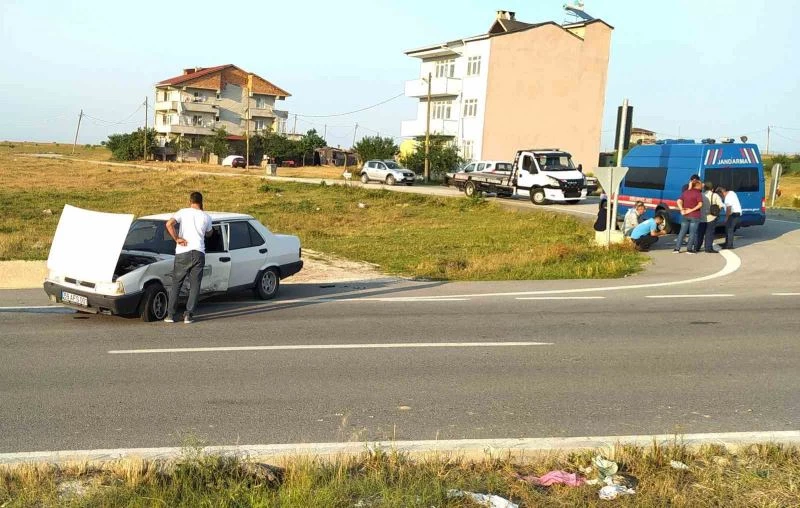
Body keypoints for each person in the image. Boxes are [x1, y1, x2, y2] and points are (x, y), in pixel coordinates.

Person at [165, 191, 212, 324]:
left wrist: (177, 238)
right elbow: (209, 233)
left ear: (190, 201)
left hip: (182, 252)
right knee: (195, 285)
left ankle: (170, 315)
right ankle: (188, 315)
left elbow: (169, 224)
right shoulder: (206, 217)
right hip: (198, 252)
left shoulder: (183, 212)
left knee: (176, 283)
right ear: (201, 202)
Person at [674, 180, 703, 254]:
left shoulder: (686, 192)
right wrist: (691, 210)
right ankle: (689, 249)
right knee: (692, 233)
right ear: (697, 186)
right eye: (700, 184)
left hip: (685, 215)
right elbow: (700, 204)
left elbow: (678, 201)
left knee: (682, 232)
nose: (702, 186)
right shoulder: (698, 193)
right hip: (695, 215)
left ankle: (677, 249)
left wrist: (681, 209)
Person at [695, 182, 724, 253]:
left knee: (700, 233)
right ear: (712, 189)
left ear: (704, 188)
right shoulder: (715, 195)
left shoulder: (701, 195)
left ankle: (697, 247)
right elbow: (721, 205)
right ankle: (708, 248)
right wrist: (717, 212)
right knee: (709, 233)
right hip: (712, 217)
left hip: (701, 217)